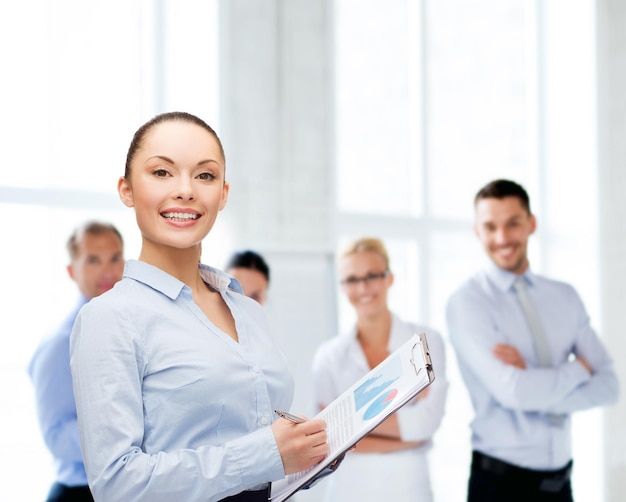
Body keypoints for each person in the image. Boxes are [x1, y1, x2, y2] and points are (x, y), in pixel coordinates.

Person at [69, 111, 328, 502]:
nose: (186, 190)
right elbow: (117, 485)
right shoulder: (109, 318)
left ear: (223, 193)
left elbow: (262, 461)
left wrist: (308, 455)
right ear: (126, 190)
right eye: (161, 173)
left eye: (205, 175)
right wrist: (265, 455)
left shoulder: (248, 310)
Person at [445, 179, 619, 502]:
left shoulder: (565, 297)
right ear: (477, 232)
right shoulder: (468, 303)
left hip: (561, 482)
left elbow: (610, 385)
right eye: (490, 226)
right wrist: (577, 372)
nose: (502, 238)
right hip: (500, 484)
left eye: (513, 224)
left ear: (531, 223)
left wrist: (534, 387)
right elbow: (515, 392)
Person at [312, 237, 448, 501]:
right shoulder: (329, 356)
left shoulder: (425, 342)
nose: (363, 287)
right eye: (352, 279)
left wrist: (351, 425)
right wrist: (406, 436)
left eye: (372, 275)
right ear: (342, 286)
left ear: (389, 278)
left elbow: (426, 424)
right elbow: (328, 436)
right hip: (349, 489)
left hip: (408, 488)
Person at [28, 221, 125, 502]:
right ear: (72, 271)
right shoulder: (61, 343)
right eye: (93, 260)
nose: (108, 270)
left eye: (115, 258)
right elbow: (57, 437)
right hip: (80, 493)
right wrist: (128, 434)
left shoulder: (126, 330)